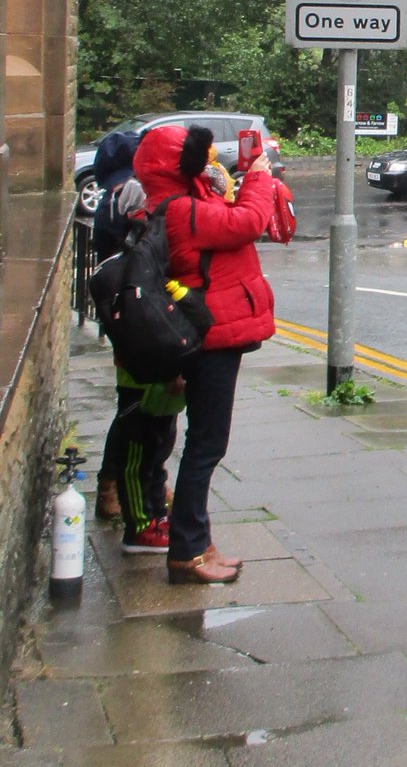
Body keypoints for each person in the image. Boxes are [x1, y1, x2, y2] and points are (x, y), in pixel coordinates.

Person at [132, 122, 276, 585]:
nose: (211, 160)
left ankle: (197, 541)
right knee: (206, 445)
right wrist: (258, 177)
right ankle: (188, 550)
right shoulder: (182, 210)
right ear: (181, 164)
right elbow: (248, 222)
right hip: (211, 338)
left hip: (205, 332)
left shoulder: (177, 201)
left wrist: (226, 182)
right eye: (202, 155)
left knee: (202, 443)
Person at [91, 131, 183, 554]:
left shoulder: (120, 197)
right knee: (136, 417)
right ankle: (124, 499)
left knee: (157, 418)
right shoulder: (126, 197)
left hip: (146, 320)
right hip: (136, 321)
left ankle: (149, 491)